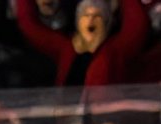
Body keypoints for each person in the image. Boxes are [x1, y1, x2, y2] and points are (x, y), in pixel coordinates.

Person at [15, 0, 150, 87]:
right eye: (85, 15)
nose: (91, 20)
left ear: (107, 23)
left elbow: (137, 23)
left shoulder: (116, 50)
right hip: (68, 123)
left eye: (97, 16)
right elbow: (29, 25)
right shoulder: (66, 49)